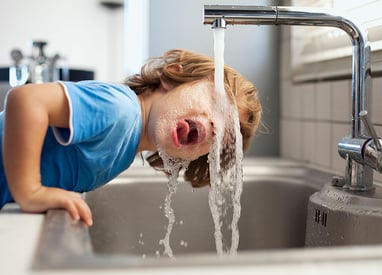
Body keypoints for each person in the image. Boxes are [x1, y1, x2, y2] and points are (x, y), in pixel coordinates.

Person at [0, 49, 262, 226]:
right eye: (216, 103)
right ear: (173, 76)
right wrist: (30, 190)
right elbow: (25, 100)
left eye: (222, 140)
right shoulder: (121, 110)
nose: (215, 127)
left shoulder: (126, 147)